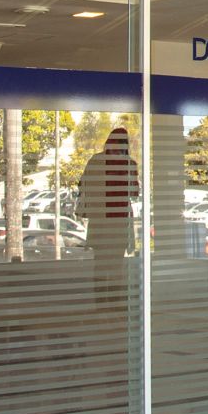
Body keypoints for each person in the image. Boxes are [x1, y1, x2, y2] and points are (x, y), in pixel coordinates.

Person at [77, 126, 139, 297]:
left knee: (104, 263)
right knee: (112, 263)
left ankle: (106, 298)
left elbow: (83, 185)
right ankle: (110, 298)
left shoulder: (98, 161)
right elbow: (135, 192)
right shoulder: (128, 164)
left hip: (107, 220)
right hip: (113, 220)